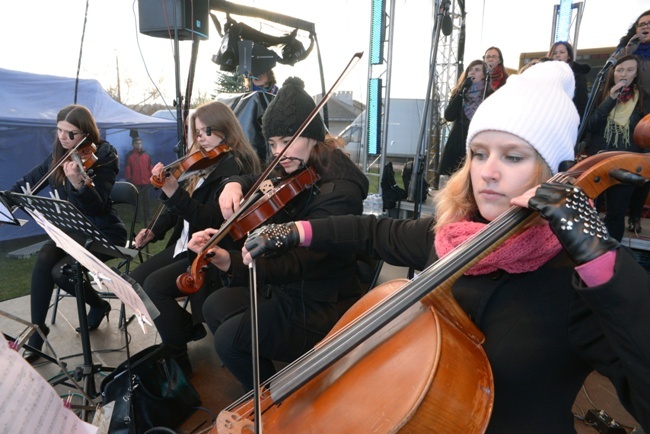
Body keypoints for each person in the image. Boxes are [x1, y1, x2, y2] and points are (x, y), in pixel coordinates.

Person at [238, 62, 650, 433]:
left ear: (552, 173)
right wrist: (292, 232)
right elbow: (369, 231)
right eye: (478, 153)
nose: (487, 172)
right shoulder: (452, 238)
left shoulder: (580, 284)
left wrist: (600, 255)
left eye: (513, 157)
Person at [188, 77, 370, 391]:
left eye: (287, 140)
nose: (278, 153)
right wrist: (233, 182)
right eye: (272, 144)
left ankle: (272, 401)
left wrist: (232, 262)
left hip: (320, 300)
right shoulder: (296, 166)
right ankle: (263, 379)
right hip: (289, 287)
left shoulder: (340, 190)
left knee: (230, 339)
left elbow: (301, 261)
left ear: (312, 136)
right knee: (214, 306)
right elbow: (256, 177)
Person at [129, 101, 261, 376]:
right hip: (183, 244)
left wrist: (174, 192)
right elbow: (178, 209)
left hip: (208, 250)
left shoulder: (235, 166)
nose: (200, 138)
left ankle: (177, 357)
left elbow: (211, 220)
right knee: (135, 281)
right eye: (197, 132)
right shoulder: (203, 164)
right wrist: (155, 229)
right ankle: (186, 328)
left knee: (154, 286)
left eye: (206, 131)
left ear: (226, 131)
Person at [9, 104, 127, 362]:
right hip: (73, 231)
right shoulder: (58, 156)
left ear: (86, 133)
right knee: (44, 259)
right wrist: (6, 204)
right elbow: (25, 183)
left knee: (61, 272)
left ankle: (97, 304)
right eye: (60, 130)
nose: (63, 137)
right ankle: (38, 333)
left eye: (70, 133)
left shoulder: (105, 155)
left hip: (103, 232)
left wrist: (78, 183)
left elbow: (96, 206)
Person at [584, 54, 649, 241]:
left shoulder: (645, 99)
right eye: (619, 70)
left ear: (636, 74)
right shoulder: (602, 95)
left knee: (616, 213)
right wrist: (610, 99)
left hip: (626, 163)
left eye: (629, 70)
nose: (624, 74)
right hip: (598, 159)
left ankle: (611, 255)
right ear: (613, 74)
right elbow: (590, 126)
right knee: (589, 210)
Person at [439, 59, 493, 176]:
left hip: (478, 145)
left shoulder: (489, 95)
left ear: (484, 76)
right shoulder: (460, 92)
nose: (472, 72)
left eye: (477, 70)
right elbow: (449, 115)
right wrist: (461, 92)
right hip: (457, 144)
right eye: (470, 70)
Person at [548, 41, 591, 121]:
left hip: (569, 120)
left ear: (569, 56)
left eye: (562, 52)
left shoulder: (578, 76)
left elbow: (582, 104)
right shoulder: (546, 75)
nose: (558, 55)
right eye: (554, 53)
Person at [616, 9, 650, 99]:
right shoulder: (627, 48)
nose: (645, 26)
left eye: (649, 23)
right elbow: (610, 70)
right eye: (641, 25)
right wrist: (630, 47)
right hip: (630, 107)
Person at [124, 136, 153, 222]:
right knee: (137, 201)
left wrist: (152, 178)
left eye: (140, 143)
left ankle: (148, 216)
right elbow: (127, 169)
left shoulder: (147, 155)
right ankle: (138, 217)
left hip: (146, 181)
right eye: (137, 143)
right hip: (135, 182)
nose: (139, 145)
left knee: (146, 200)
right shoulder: (129, 156)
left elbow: (150, 167)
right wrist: (129, 180)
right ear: (133, 145)